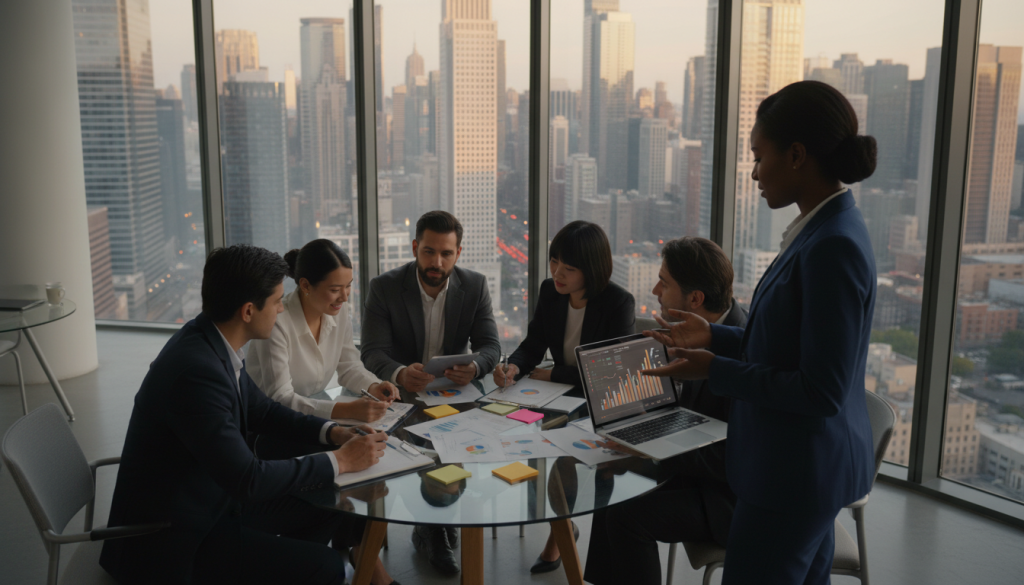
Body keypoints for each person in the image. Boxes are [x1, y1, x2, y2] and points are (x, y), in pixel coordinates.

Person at [643, 80, 878, 585]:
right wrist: (714, 336)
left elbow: (821, 390)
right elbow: (787, 347)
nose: (752, 172)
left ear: (796, 155)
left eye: (758, 155)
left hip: (792, 477)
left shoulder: (831, 247)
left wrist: (717, 370)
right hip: (800, 470)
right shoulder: (821, 230)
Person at [99, 245, 398, 585]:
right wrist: (340, 460)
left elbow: (264, 410)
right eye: (275, 303)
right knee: (327, 565)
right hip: (176, 538)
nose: (280, 311)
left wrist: (332, 433)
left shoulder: (211, 341)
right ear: (247, 311)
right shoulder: (197, 373)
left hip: (210, 502)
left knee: (330, 498)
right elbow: (249, 480)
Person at [583, 236, 746, 585]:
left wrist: (654, 449)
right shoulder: (703, 332)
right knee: (608, 476)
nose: (656, 289)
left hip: (728, 498)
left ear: (695, 299)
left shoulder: (741, 350)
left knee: (628, 516)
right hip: (696, 469)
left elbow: (732, 460)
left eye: (665, 282)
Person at [360, 210, 502, 576]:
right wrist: (399, 372)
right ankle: (433, 526)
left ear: (458, 253)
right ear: (414, 248)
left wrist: (475, 368)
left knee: (462, 449)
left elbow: (490, 346)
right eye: (428, 252)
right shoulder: (385, 286)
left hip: (455, 398)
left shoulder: (475, 285)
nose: (436, 262)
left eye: (446, 254)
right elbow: (372, 351)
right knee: (412, 459)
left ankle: (436, 522)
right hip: (401, 398)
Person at [492, 220, 635, 574]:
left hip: (598, 404)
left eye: (569, 268)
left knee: (565, 459)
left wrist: (556, 373)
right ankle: (563, 526)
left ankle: (560, 535)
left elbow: (611, 374)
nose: (557, 273)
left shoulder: (619, 303)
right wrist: (513, 367)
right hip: (555, 398)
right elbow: (533, 343)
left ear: (593, 270)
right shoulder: (550, 291)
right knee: (506, 435)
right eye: (554, 261)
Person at [248, 239, 398, 433]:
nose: (344, 297)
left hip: (311, 423)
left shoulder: (337, 311)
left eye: (348, 286)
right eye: (335, 290)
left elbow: (349, 366)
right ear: (306, 285)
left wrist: (373, 386)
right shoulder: (277, 322)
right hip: (269, 427)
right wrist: (347, 410)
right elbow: (280, 398)